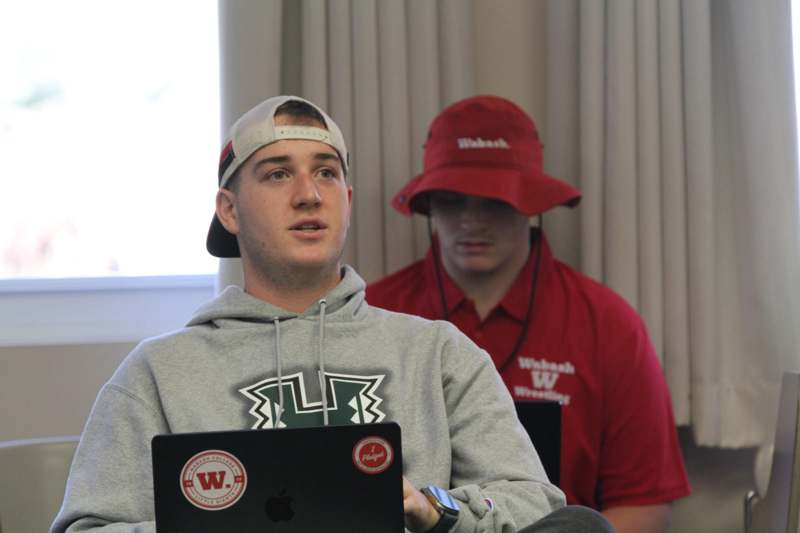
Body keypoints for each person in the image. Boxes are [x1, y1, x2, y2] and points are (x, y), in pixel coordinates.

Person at [51, 95, 614, 533]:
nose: (308, 194)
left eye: (325, 173)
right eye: (276, 173)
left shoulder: (438, 352)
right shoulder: (158, 372)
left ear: (347, 196)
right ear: (229, 210)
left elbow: (531, 501)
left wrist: (432, 506)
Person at [366, 95, 691, 533]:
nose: (471, 221)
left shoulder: (607, 324)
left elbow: (644, 505)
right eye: (453, 200)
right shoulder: (373, 313)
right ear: (430, 206)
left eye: (495, 202)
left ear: (530, 204)